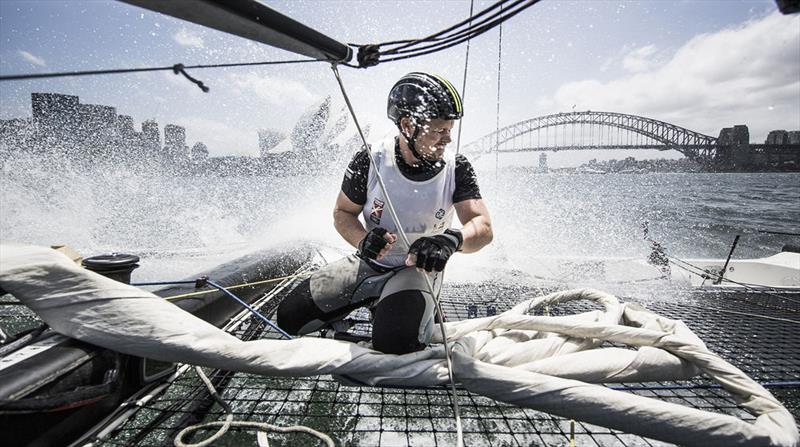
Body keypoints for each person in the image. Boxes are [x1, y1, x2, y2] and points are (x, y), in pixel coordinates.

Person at [277, 72, 493, 354]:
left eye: (450, 129)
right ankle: (378, 299)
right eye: (439, 130)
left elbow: (483, 227)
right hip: (371, 263)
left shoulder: (457, 167)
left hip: (417, 270)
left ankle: (393, 305)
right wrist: (363, 240)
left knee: (395, 345)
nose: (447, 139)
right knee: (288, 318)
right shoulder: (371, 159)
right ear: (407, 125)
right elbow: (342, 213)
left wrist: (451, 240)